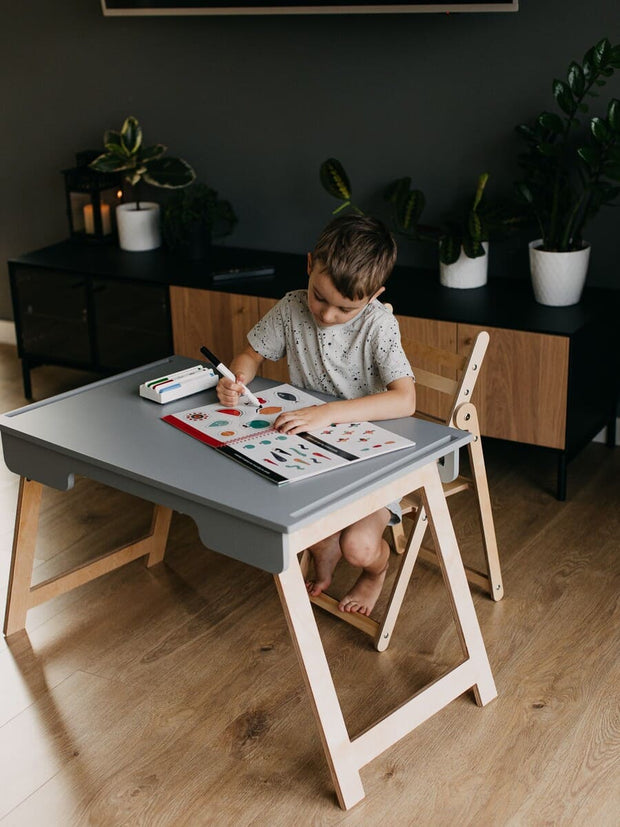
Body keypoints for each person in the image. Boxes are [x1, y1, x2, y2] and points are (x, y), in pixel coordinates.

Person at [217, 214, 416, 616]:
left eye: (346, 308)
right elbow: (251, 354)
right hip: (312, 449)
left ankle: (376, 572)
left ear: (374, 294)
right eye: (320, 296)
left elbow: (405, 400)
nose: (326, 315)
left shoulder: (379, 324)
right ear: (310, 265)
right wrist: (237, 377)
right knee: (311, 532)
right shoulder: (291, 307)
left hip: (372, 457)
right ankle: (324, 561)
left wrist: (328, 414)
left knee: (358, 547)